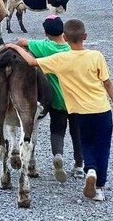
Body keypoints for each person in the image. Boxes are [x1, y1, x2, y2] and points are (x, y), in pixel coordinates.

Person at [5, 19, 113, 202]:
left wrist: (13, 47)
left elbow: (31, 62)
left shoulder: (60, 59)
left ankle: (90, 169)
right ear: (85, 37)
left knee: (86, 142)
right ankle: (98, 185)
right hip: (103, 110)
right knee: (103, 146)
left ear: (66, 37)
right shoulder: (96, 56)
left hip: (80, 112)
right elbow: (107, 83)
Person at [15, 15, 83, 183]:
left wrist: (14, 45)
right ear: (64, 32)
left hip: (58, 101)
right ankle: (80, 166)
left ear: (45, 32)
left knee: (57, 130)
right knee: (77, 132)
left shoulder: (44, 47)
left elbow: (23, 42)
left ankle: (58, 155)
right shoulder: (72, 48)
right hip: (77, 100)